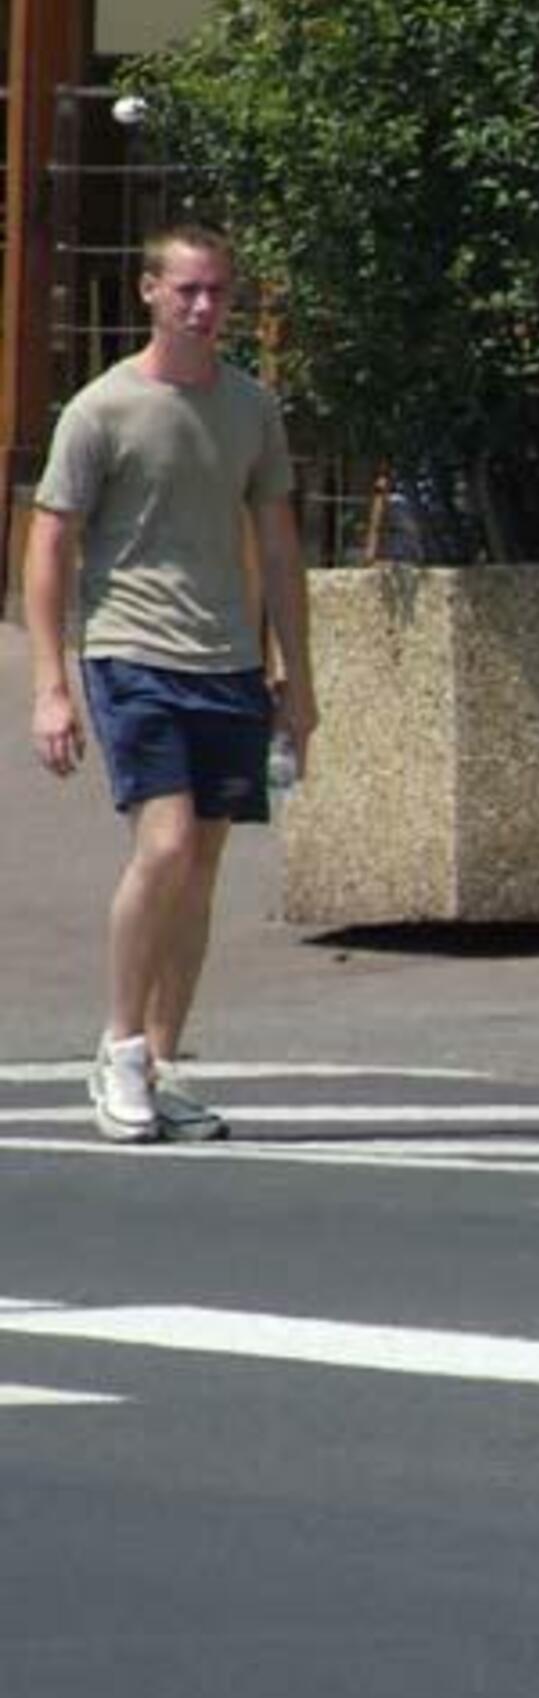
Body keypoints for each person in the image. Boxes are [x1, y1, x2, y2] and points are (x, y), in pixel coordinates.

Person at [22, 221, 314, 1143]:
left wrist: (296, 679)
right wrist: (51, 684)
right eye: (186, 289)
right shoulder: (101, 410)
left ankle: (159, 1060)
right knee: (165, 844)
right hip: (131, 652)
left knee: (204, 863)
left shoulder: (249, 407)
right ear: (148, 292)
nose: (203, 307)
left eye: (218, 291)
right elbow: (50, 542)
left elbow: (276, 541)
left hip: (226, 659)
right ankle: (115, 1052)